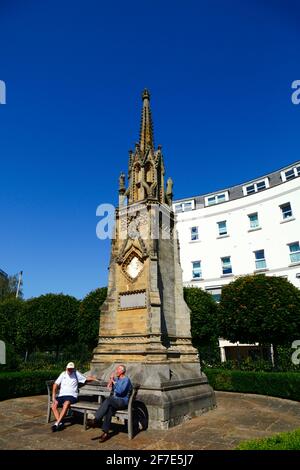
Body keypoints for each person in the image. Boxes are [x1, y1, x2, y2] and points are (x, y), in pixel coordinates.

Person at [51, 361, 97, 432]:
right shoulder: (63, 374)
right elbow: (55, 384)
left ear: (73, 368)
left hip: (72, 396)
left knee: (66, 403)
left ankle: (57, 423)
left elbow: (85, 378)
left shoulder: (76, 373)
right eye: (69, 369)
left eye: (71, 369)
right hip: (62, 395)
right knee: (53, 405)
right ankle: (60, 423)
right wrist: (53, 397)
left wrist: (94, 379)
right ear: (66, 368)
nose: (70, 370)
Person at [93, 364, 132, 442]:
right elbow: (110, 387)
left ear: (122, 371)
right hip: (115, 402)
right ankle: (105, 433)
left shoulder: (126, 380)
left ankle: (96, 419)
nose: (116, 371)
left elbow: (120, 391)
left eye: (118, 370)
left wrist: (114, 381)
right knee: (109, 409)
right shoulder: (117, 379)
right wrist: (110, 381)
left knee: (108, 400)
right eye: (116, 370)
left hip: (122, 402)